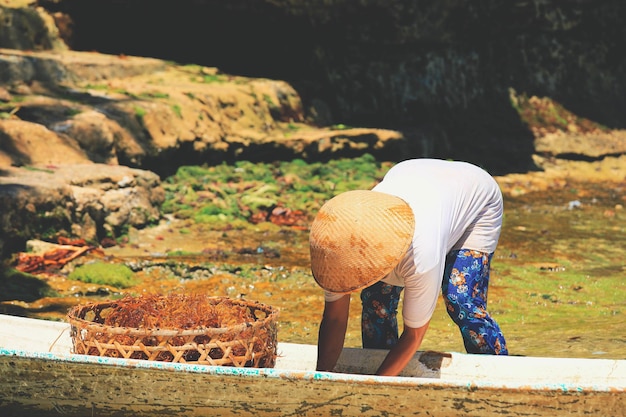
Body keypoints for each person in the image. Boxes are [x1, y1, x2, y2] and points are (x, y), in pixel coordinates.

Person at [309, 158, 508, 377]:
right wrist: (321, 378)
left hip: (476, 196)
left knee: (460, 300)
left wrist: (374, 387)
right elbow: (335, 319)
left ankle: (498, 373)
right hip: (410, 173)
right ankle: (385, 368)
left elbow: (414, 335)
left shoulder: (421, 256)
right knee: (376, 303)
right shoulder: (337, 248)